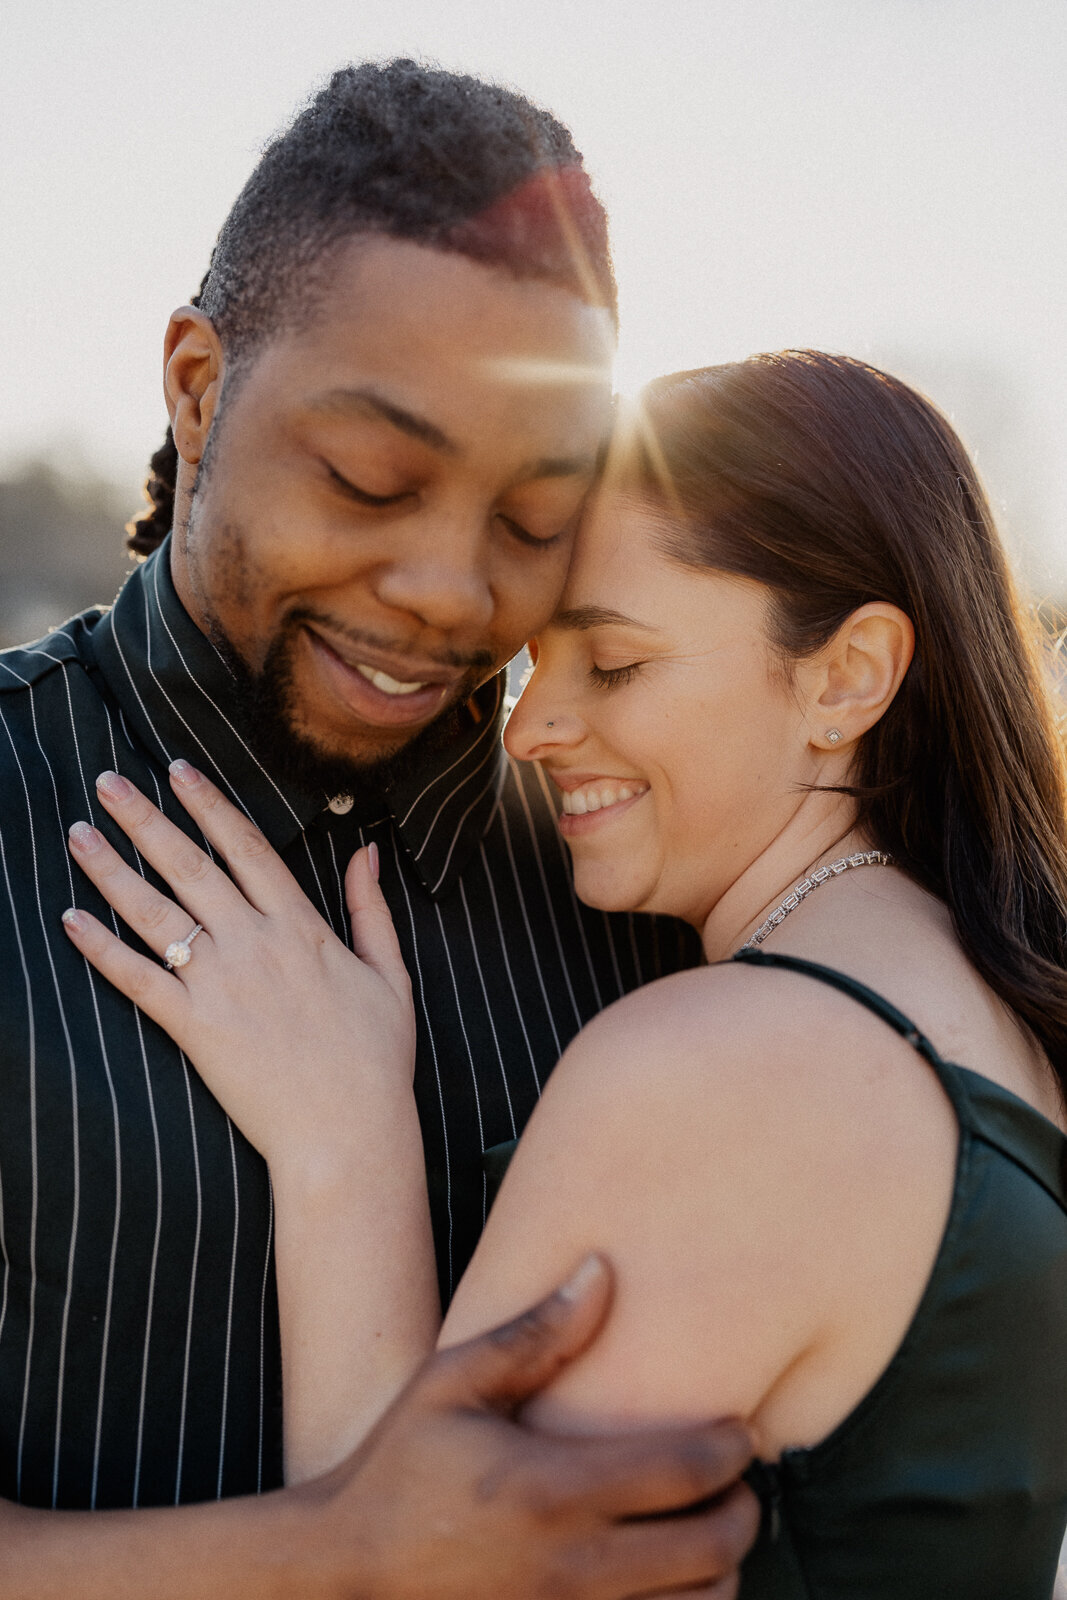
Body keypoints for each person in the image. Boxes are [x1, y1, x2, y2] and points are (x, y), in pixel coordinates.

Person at [68, 350, 1067, 1596]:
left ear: (846, 675)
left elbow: (415, 1580)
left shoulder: (729, 1067)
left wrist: (345, 1145)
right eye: (537, 661)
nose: (531, 726)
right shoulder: (981, 1001)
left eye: (613, 664)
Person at [0, 61, 760, 1598]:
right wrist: (334, 1555)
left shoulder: (649, 895)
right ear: (199, 388)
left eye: (533, 521)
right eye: (367, 480)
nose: (447, 591)